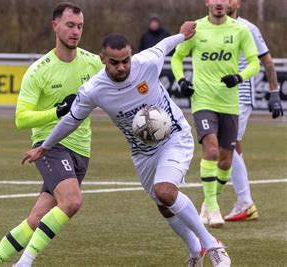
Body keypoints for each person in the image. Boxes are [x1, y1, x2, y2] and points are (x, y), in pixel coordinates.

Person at [22, 25, 232, 266]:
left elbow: (164, 45)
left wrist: (183, 34)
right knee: (163, 204)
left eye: (126, 61)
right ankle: (196, 250)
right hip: (142, 152)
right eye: (114, 63)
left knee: (165, 191)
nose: (122, 67)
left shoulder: (146, 63)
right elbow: (71, 120)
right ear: (103, 59)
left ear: (131, 55)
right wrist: (45, 146)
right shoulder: (94, 90)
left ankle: (212, 244)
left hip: (175, 137)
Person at [0, 3, 103, 266]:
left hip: (82, 150)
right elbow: (21, 118)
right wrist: (57, 112)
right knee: (71, 201)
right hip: (50, 146)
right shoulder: (39, 70)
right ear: (55, 26)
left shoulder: (93, 63)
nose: (76, 31)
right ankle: (25, 262)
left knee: (35, 220)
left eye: (80, 26)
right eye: (70, 25)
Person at [170, 0, 260, 228]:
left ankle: (207, 204)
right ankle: (214, 209)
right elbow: (177, 57)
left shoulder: (240, 30)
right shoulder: (196, 28)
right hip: (203, 101)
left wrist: (239, 77)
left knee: (225, 161)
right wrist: (181, 80)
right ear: (207, 2)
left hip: (229, 104)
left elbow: (254, 63)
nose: (219, 3)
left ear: (230, 3)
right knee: (210, 150)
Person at [223, 0, 283, 222]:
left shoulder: (247, 27)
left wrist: (274, 92)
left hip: (240, 93)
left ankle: (245, 202)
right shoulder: (209, 27)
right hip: (219, 94)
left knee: (226, 144)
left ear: (237, 3)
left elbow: (266, 61)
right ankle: (244, 202)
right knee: (230, 145)